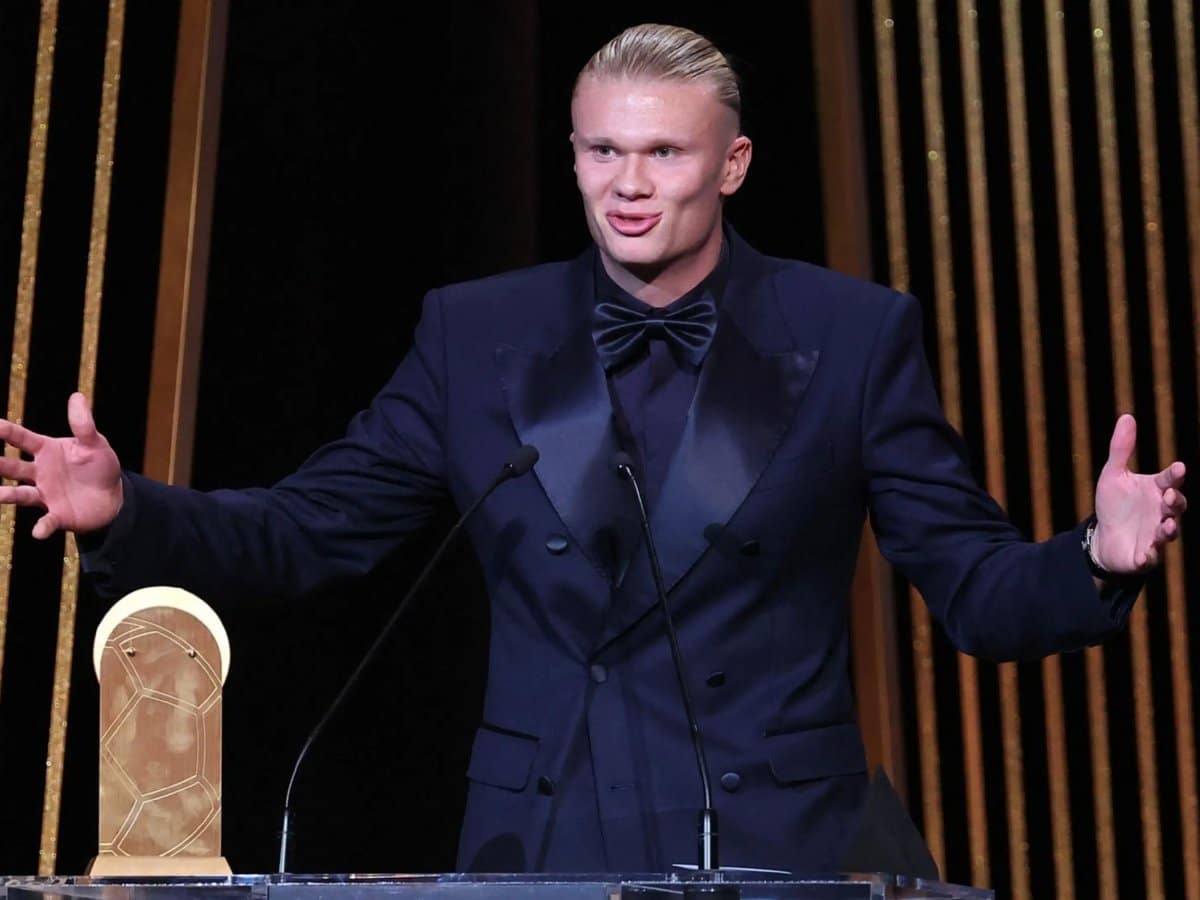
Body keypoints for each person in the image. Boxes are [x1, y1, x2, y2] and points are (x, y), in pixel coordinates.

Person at [0, 23, 1187, 875]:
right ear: (571, 155)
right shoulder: (478, 333)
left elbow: (974, 591)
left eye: (664, 155)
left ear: (731, 165)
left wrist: (1096, 552)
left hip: (778, 851)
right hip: (539, 848)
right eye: (600, 152)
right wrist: (128, 511)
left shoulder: (852, 334)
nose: (627, 186)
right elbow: (309, 532)